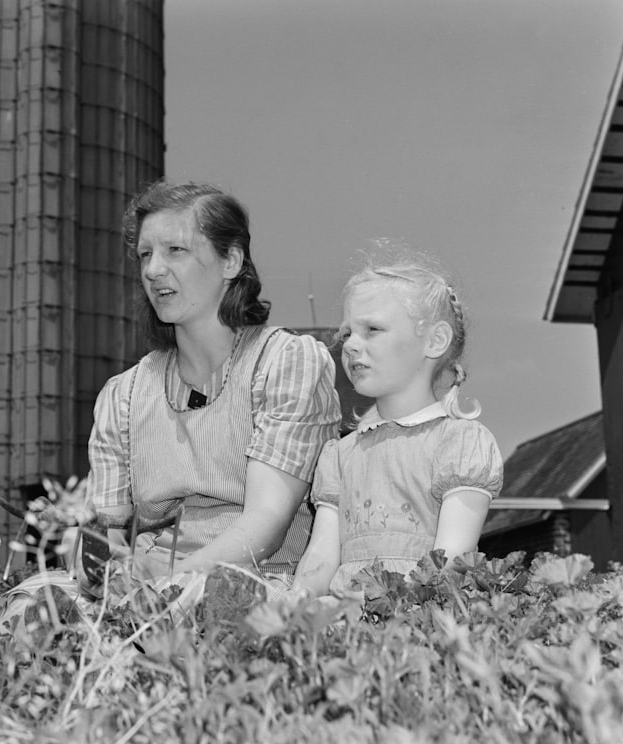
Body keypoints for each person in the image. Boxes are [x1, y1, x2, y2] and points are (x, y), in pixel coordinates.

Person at [81, 180, 341, 592]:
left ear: (231, 261)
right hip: (148, 584)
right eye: (145, 255)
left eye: (175, 251)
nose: (152, 270)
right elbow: (105, 533)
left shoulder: (285, 364)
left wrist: (170, 581)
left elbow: (265, 525)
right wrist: (109, 572)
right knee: (30, 616)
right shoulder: (124, 395)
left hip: (252, 582)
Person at [291, 252, 503, 597]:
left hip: (420, 618)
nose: (350, 345)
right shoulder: (342, 454)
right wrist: (296, 602)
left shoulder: (458, 443)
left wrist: (397, 612)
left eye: (372, 329)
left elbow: (450, 562)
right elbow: (321, 558)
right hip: (345, 620)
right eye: (346, 333)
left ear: (434, 341)